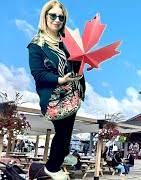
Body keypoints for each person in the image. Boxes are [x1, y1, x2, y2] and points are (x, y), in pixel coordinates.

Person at [27, 1, 85, 179]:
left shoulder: (65, 41)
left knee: (67, 131)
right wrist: (60, 79)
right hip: (54, 97)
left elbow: (73, 61)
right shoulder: (36, 45)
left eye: (61, 17)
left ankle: (62, 155)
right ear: (45, 16)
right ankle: (52, 167)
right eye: (53, 15)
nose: (57, 20)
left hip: (72, 92)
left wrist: (84, 63)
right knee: (62, 132)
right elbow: (38, 74)